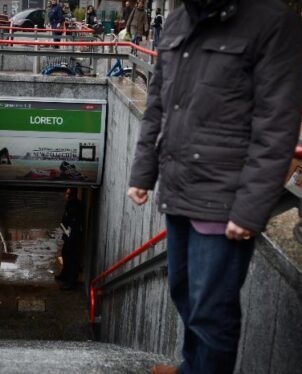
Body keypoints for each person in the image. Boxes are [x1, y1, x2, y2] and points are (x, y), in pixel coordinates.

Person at [127, 0, 302, 373]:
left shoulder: (271, 22)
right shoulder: (178, 20)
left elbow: (276, 125)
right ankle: (192, 366)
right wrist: (143, 174)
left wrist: (250, 208)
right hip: (177, 190)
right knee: (183, 292)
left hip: (224, 201)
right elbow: (157, 103)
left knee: (212, 313)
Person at [56, 187, 83, 290]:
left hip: (73, 236)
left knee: (72, 259)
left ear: (71, 195)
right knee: (65, 255)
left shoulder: (74, 205)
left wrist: (69, 233)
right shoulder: (71, 204)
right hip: (69, 235)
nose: (65, 195)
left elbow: (72, 221)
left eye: (67, 194)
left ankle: (71, 282)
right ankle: (65, 275)